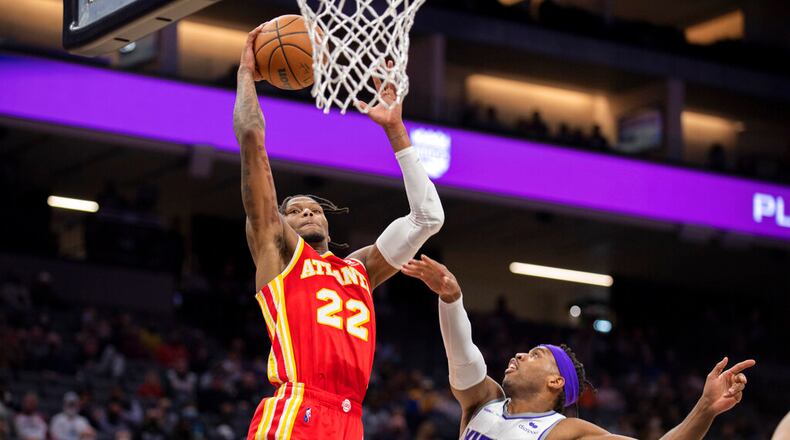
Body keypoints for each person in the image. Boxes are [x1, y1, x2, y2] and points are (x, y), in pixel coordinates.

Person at [234, 24, 445, 440]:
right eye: (295, 211)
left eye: (314, 209)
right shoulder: (280, 255)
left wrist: (396, 132)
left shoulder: (360, 270)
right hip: (298, 408)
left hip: (350, 419)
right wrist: (245, 75)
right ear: (280, 224)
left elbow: (428, 218)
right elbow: (252, 140)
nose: (307, 212)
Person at [401, 255, 755, 440]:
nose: (519, 354)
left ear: (556, 381)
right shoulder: (485, 402)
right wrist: (451, 300)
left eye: (535, 354)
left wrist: (706, 407)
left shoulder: (564, 432)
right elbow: (463, 357)